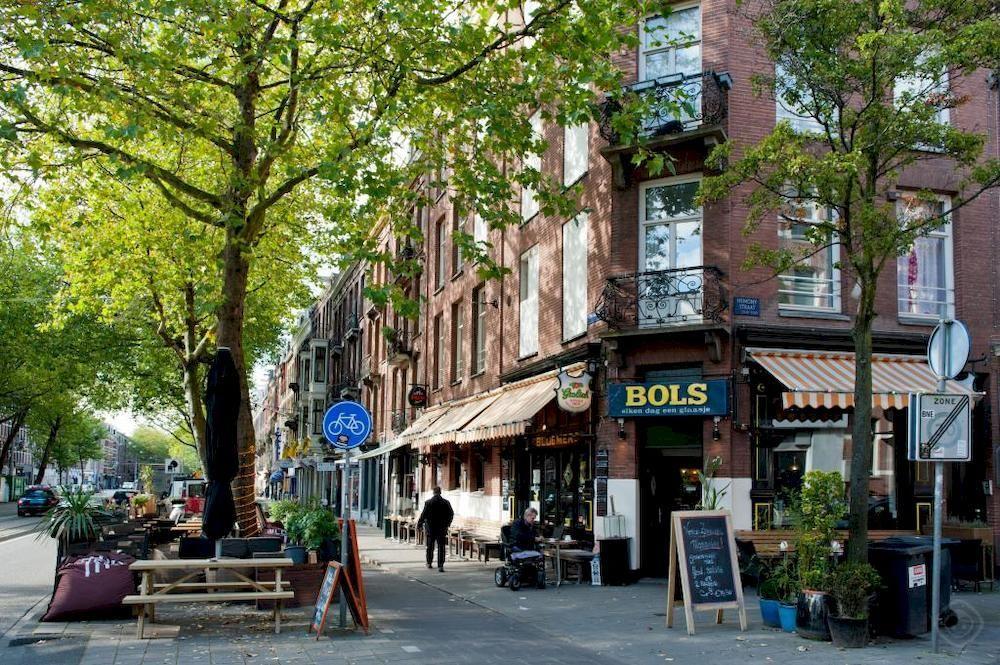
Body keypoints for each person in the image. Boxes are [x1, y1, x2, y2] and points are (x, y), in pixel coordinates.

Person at [416, 486, 454, 572]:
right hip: (441, 528)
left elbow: (423, 514)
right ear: (440, 492)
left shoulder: (428, 503)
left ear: (433, 492)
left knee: (430, 546)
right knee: (441, 547)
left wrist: (419, 524)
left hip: (430, 528)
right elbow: (451, 514)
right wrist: (447, 524)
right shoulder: (446, 503)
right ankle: (440, 565)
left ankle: (429, 562)